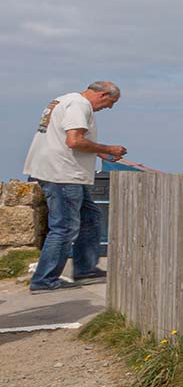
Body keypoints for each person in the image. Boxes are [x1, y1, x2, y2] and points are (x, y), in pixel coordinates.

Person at [21, 81, 124, 293]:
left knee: (91, 217)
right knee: (64, 227)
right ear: (103, 94)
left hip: (60, 171)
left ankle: (85, 269)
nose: (110, 108)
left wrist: (98, 152)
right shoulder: (79, 105)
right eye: (110, 102)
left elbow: (63, 137)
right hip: (63, 174)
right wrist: (108, 147)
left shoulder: (64, 100)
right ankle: (44, 280)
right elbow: (74, 140)